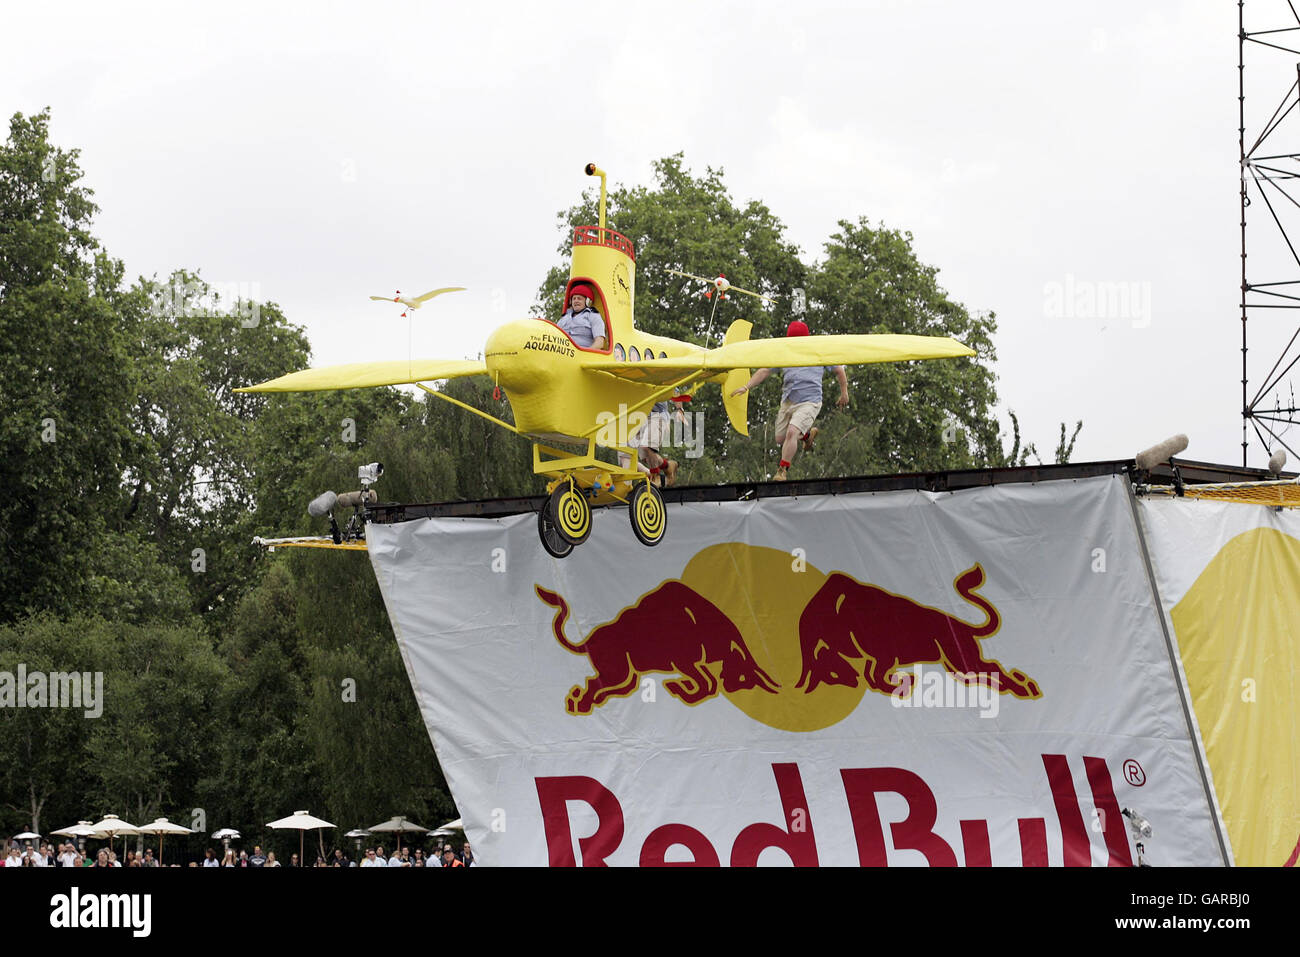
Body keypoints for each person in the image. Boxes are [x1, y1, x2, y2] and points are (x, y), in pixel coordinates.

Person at [730, 320, 848, 481]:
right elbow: (765, 370)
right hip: (788, 401)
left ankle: (782, 470)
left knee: (792, 432)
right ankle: (807, 436)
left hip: (810, 401)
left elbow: (839, 370)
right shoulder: (784, 353)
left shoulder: (818, 352)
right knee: (780, 439)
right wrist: (746, 386)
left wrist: (844, 394)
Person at [619, 400, 680, 486]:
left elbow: (676, 392)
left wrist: (680, 409)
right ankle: (666, 466)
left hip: (656, 415)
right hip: (637, 416)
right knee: (631, 457)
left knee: (647, 446)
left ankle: (656, 477)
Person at [556, 284, 607, 351]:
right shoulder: (564, 318)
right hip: (561, 354)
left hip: (582, 356)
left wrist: (583, 355)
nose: (576, 301)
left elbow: (599, 343)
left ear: (587, 301)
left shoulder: (593, 315)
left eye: (579, 298)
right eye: (574, 299)